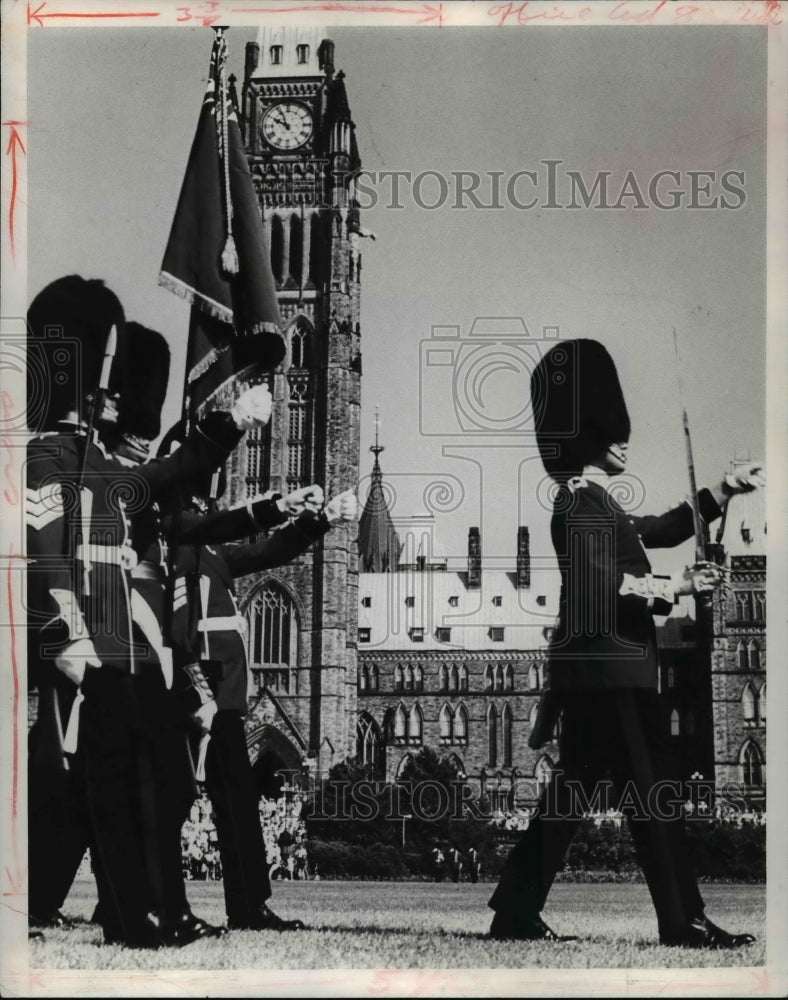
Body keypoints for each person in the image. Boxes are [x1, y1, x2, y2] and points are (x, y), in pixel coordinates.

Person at [488, 339, 763, 948]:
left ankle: (514, 909)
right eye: (612, 432)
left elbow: (662, 528)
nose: (624, 440)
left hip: (600, 673)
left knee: (571, 795)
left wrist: (723, 488)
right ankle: (682, 920)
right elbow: (596, 586)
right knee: (656, 794)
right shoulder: (577, 504)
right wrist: (677, 586)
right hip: (612, 670)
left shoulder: (597, 502)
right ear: (587, 435)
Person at [25, 277, 272, 946]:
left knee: (156, 775)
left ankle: (148, 913)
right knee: (80, 782)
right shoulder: (49, 457)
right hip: (80, 645)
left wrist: (230, 423)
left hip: (123, 644)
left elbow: (169, 478)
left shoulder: (100, 465)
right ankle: (129, 914)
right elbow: (48, 555)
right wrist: (67, 635)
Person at [167, 461, 357, 931]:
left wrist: (323, 518)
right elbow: (177, 630)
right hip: (201, 691)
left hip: (225, 694)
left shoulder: (210, 550)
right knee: (171, 798)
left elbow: (270, 551)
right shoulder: (179, 548)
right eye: (200, 504)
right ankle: (125, 896)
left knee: (236, 801)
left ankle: (249, 904)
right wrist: (198, 693)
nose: (207, 509)